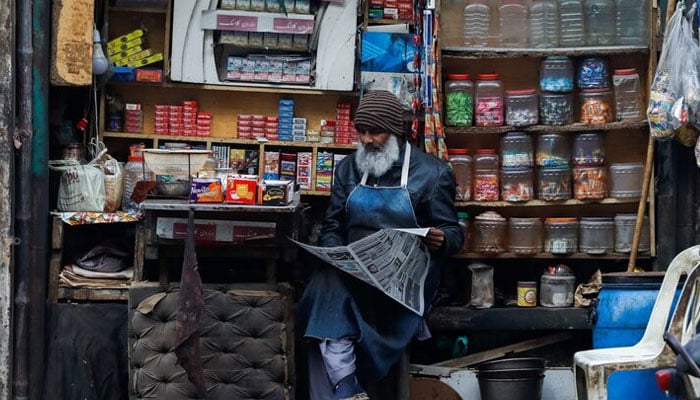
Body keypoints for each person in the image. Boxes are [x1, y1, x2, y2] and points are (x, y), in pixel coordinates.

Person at [298, 90, 463, 400]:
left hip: (403, 285)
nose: (367, 139)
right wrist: (337, 253)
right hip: (353, 274)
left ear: (396, 132)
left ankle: (345, 386)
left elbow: (453, 232)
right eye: (361, 132)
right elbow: (333, 226)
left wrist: (442, 240)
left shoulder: (431, 173)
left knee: (327, 292)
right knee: (326, 281)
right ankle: (348, 388)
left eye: (376, 132)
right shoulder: (348, 169)